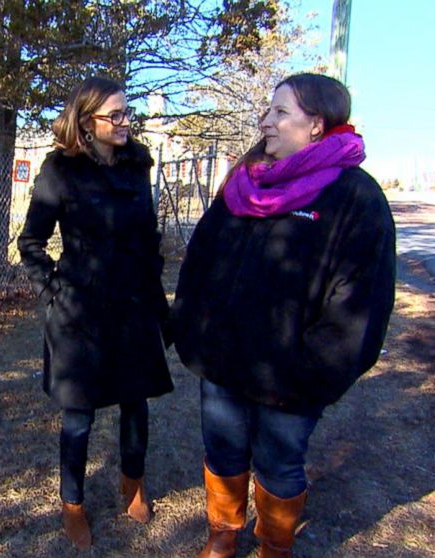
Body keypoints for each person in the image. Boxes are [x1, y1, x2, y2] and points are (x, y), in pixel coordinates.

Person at [169, 73, 396, 558]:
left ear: (316, 125)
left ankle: (274, 545)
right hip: (223, 363)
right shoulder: (243, 182)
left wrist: (311, 371)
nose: (265, 121)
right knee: (224, 451)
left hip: (291, 379)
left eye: (280, 112)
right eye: (268, 111)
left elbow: (361, 302)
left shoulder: (355, 197)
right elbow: (201, 261)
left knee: (279, 463)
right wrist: (194, 329)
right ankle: (224, 534)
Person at [17, 76, 173, 550]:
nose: (126, 122)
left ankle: (133, 483)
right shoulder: (60, 170)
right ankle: (74, 505)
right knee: (78, 416)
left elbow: (147, 235)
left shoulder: (138, 164)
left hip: (134, 304)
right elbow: (31, 242)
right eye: (116, 115)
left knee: (135, 401)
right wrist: (55, 292)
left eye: (129, 114)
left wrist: (154, 292)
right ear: (87, 121)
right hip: (80, 312)